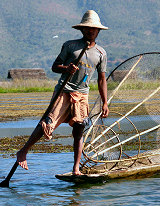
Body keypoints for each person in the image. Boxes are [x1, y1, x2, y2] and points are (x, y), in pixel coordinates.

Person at [16, 10, 109, 175]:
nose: (91, 31)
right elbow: (54, 66)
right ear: (82, 30)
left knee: (79, 129)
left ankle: (75, 168)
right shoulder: (70, 46)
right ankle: (23, 151)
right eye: (87, 28)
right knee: (48, 123)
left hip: (82, 95)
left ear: (98, 31)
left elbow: (102, 80)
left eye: (94, 29)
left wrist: (105, 102)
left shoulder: (101, 53)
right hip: (64, 91)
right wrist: (67, 68)